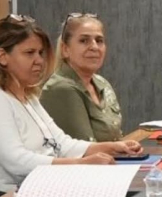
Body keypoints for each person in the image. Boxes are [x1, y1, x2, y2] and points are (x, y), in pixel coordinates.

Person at [0, 15, 141, 197]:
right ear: (3, 57)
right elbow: (17, 162)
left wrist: (112, 147)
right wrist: (81, 164)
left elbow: (61, 143)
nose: (39, 60)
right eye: (29, 53)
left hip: (39, 186)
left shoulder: (28, 96)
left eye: (40, 53)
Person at [42, 13, 124, 142]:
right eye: (84, 41)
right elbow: (86, 148)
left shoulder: (102, 83)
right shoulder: (61, 89)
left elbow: (116, 137)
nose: (94, 47)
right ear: (65, 49)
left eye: (99, 41)